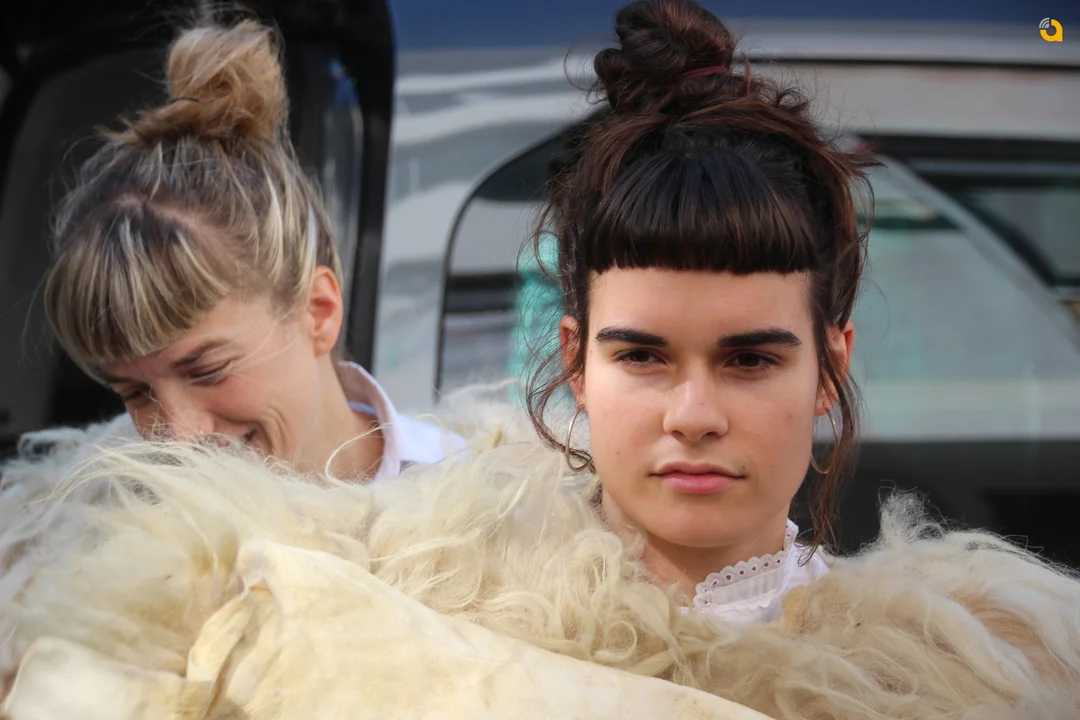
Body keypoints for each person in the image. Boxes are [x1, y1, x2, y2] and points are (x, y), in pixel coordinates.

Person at [3, 2, 1080, 718]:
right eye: (642, 356)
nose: (693, 413)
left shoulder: (948, 677)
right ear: (574, 363)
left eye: (752, 360)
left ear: (830, 365)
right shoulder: (404, 588)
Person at [38, 18, 459, 481]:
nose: (178, 438)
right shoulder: (89, 513)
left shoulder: (482, 502)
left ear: (319, 311)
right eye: (136, 392)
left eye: (208, 371)